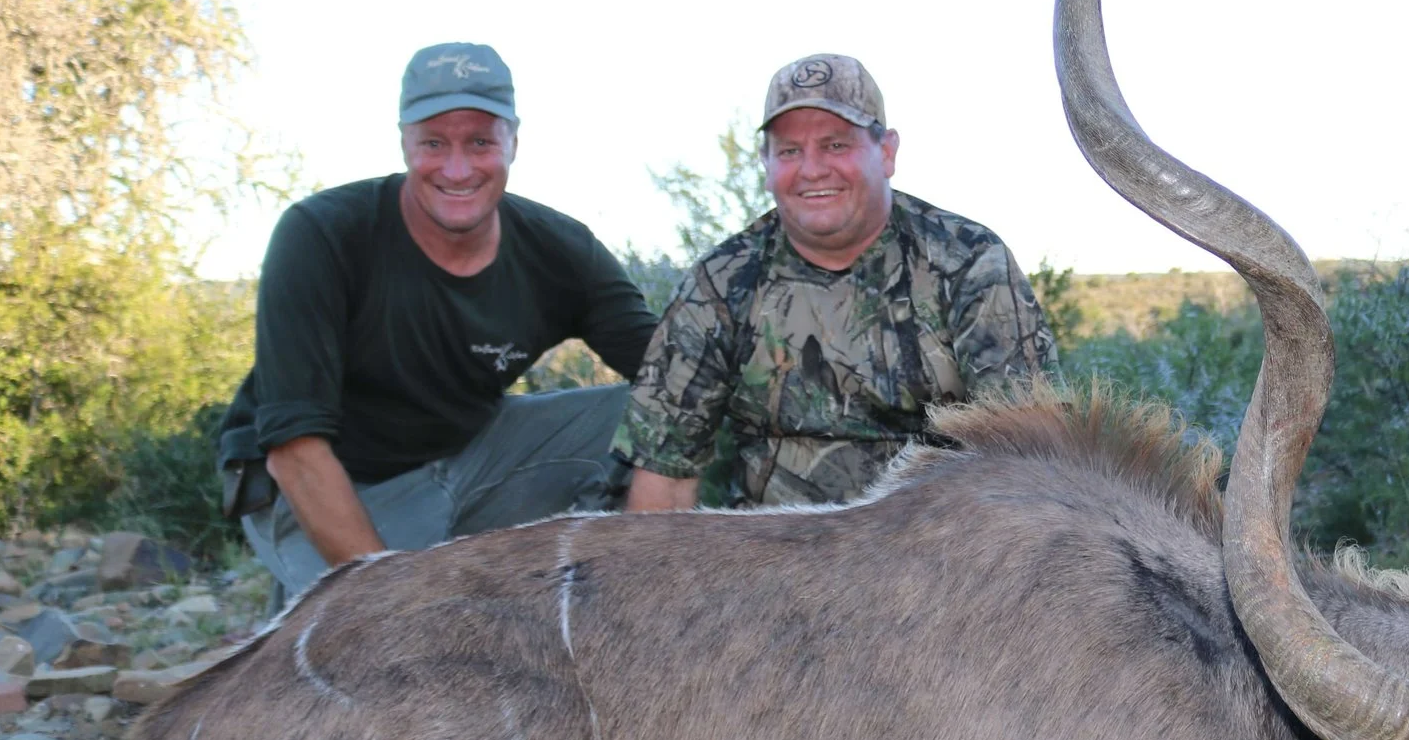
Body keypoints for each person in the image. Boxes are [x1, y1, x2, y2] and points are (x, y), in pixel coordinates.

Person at [218, 43, 658, 601]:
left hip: (468, 458)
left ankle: (628, 603)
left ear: (513, 142)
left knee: (655, 408)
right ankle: (343, 602)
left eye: (479, 142)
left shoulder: (560, 248)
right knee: (381, 654)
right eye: (433, 143)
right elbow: (294, 453)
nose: (457, 169)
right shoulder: (321, 233)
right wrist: (390, 600)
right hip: (330, 484)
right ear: (404, 142)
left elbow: (677, 376)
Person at [616, 53, 1056, 509]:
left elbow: (1030, 458)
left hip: (937, 553)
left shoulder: (970, 261)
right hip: (771, 557)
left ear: (886, 152)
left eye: (835, 145)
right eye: (789, 151)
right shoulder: (721, 282)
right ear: (766, 164)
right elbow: (664, 475)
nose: (811, 169)